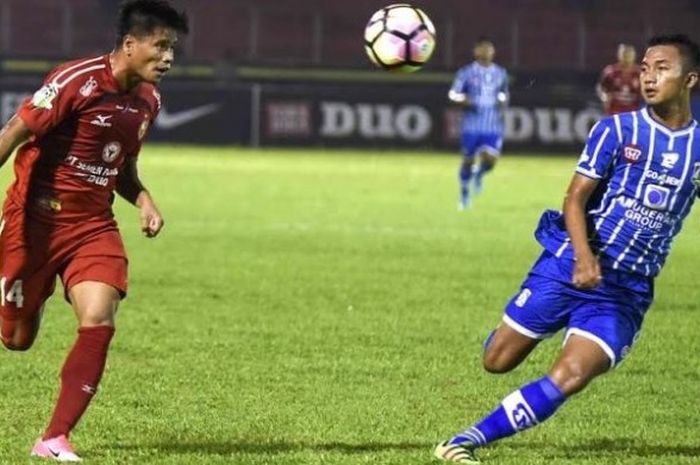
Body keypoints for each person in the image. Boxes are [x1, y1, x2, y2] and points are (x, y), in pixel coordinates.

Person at [435, 33, 700, 464]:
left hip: (624, 290)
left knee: (571, 375)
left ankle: (464, 442)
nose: (648, 78)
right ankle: (528, 322)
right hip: (567, 265)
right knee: (497, 360)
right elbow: (574, 198)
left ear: (690, 79)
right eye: (646, 68)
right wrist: (583, 257)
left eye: (661, 69)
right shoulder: (617, 129)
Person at [0, 0, 188, 461]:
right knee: (16, 340)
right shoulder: (75, 80)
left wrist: (143, 199)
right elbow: (11, 134)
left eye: (172, 49)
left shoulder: (148, 100)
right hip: (33, 220)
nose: (168, 58)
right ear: (130, 44)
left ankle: (53, 438)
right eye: (160, 46)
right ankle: (28, 297)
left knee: (100, 316)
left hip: (92, 226)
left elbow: (122, 167)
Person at [448, 37, 509, 209]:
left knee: (491, 160)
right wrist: (462, 100)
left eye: (489, 48)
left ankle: (479, 174)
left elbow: (504, 93)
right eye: (482, 48)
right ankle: (464, 193)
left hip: (492, 125)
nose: (486, 52)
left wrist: (501, 100)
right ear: (475, 52)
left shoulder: (500, 73)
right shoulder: (466, 73)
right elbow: (453, 94)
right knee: (468, 161)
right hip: (471, 126)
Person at [596, 43, 643, 115]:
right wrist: (604, 97)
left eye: (629, 54)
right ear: (619, 55)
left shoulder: (640, 74)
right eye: (624, 54)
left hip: (632, 114)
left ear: (634, 55)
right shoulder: (610, 72)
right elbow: (601, 87)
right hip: (614, 112)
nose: (627, 57)